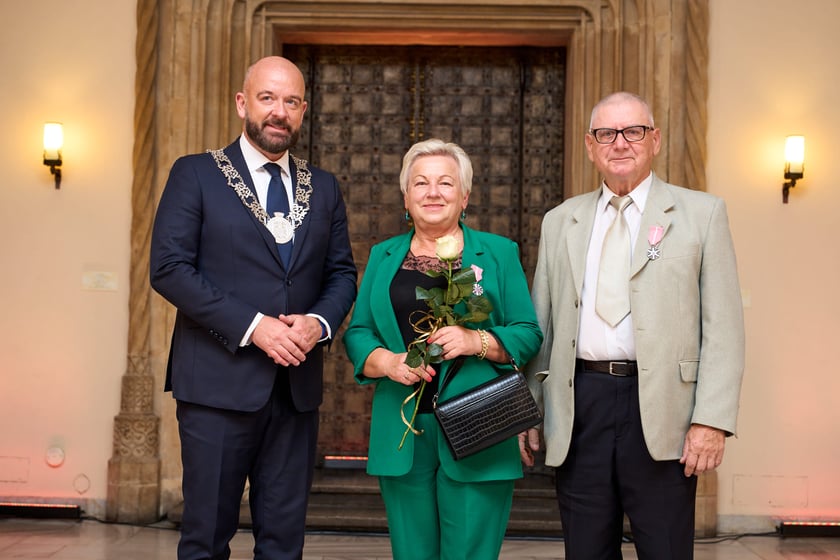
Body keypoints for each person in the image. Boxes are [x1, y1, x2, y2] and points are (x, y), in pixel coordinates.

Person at [521, 92, 745, 559]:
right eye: (606, 133)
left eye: (633, 131)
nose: (619, 143)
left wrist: (711, 420)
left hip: (665, 410)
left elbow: (723, 327)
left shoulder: (702, 214)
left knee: (664, 549)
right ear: (590, 145)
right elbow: (543, 325)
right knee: (586, 551)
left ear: (655, 139)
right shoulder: (561, 221)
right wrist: (531, 408)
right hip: (583, 406)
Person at [150, 56, 357, 560]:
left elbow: (342, 274)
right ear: (243, 103)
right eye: (267, 98)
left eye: (290, 102)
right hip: (217, 387)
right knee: (205, 537)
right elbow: (169, 268)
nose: (278, 112)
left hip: (295, 391)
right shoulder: (196, 174)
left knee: (284, 543)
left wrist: (318, 323)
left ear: (303, 111)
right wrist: (253, 326)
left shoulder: (323, 186)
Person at [343, 139, 543, 560]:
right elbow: (359, 332)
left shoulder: (498, 252)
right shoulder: (384, 256)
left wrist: (477, 340)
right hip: (404, 432)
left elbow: (528, 332)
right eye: (421, 183)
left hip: (479, 425)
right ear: (406, 196)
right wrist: (387, 362)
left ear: (465, 195)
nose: (433, 192)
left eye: (446, 183)